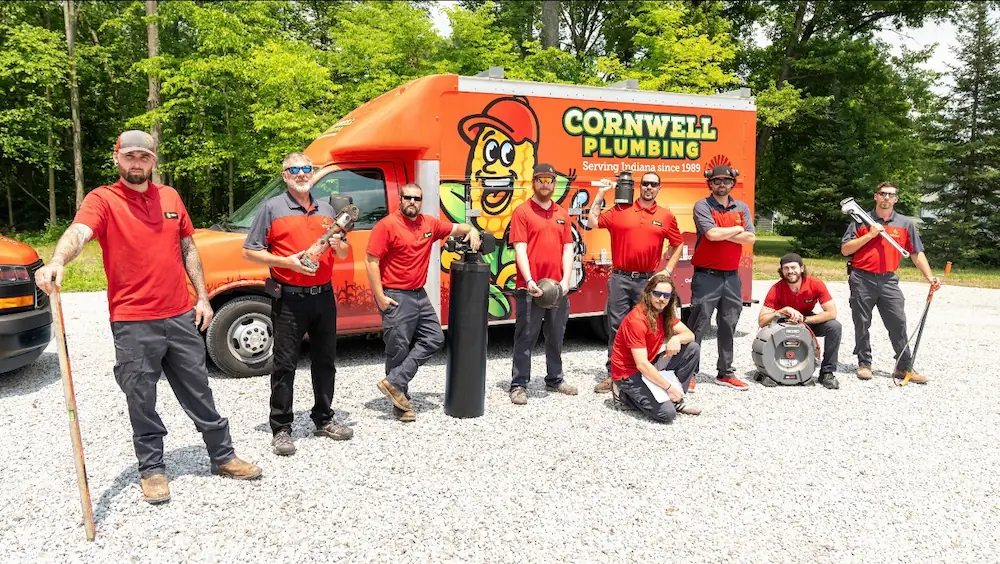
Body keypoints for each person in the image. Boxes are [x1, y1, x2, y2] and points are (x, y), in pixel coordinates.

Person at [34, 130, 261, 505]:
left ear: (154, 159)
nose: (136, 163)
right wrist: (58, 260)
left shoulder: (170, 197)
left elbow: (187, 245)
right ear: (117, 158)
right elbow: (80, 231)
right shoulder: (102, 200)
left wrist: (203, 298)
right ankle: (152, 468)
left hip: (179, 315)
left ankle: (223, 456)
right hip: (133, 320)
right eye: (130, 156)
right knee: (141, 395)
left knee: (199, 389)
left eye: (144, 157)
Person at [242, 152, 353, 456]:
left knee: (325, 362)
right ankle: (280, 428)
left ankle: (324, 418)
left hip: (323, 296)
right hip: (290, 298)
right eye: (295, 170)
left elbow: (342, 254)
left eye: (307, 169)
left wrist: (338, 244)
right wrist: (285, 261)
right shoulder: (272, 208)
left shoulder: (328, 209)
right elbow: (250, 251)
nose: (302, 174)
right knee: (284, 365)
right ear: (285, 175)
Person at [366, 182, 481, 422]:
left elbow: (458, 228)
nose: (412, 202)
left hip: (419, 294)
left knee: (434, 338)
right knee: (398, 348)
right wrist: (380, 297)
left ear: (421, 201)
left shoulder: (429, 224)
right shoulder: (386, 226)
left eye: (417, 198)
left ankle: (394, 382)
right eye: (408, 197)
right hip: (395, 295)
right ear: (400, 199)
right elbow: (371, 261)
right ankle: (401, 405)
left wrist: (472, 231)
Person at [587, 172, 684, 395]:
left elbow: (677, 244)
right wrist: (601, 193)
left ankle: (643, 371)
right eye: (645, 183)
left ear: (659, 188)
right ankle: (615, 374)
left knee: (648, 327)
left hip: (647, 281)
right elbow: (592, 222)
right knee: (616, 328)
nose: (649, 187)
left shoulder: (666, 216)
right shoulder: (619, 212)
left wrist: (667, 270)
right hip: (620, 278)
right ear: (639, 187)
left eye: (654, 184)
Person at [841, 181, 941, 384]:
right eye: (883, 194)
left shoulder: (905, 224)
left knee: (898, 322)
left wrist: (930, 276)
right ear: (875, 196)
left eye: (891, 195)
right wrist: (870, 234)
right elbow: (846, 250)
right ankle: (864, 363)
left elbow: (916, 253)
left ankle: (904, 368)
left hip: (888, 280)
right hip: (862, 278)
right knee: (862, 323)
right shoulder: (861, 220)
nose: (886, 197)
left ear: (896, 199)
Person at [507, 163, 579, 405]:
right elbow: (520, 248)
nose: (545, 184)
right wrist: (528, 280)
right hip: (531, 288)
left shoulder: (561, 213)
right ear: (533, 182)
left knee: (556, 335)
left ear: (554, 183)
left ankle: (555, 378)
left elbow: (568, 248)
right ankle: (519, 384)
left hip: (557, 289)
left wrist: (565, 280)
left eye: (549, 180)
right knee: (526, 336)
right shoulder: (522, 212)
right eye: (541, 179)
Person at [687, 164, 756, 390]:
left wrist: (728, 233)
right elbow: (711, 234)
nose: (721, 184)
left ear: (732, 183)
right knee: (698, 324)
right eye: (716, 181)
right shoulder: (702, 206)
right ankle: (689, 372)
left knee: (729, 324)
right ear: (710, 183)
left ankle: (725, 372)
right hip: (706, 276)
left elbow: (751, 239)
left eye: (726, 181)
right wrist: (737, 230)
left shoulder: (741, 207)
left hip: (732, 277)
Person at [609, 272, 702, 422]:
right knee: (667, 414)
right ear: (648, 293)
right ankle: (623, 395)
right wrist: (668, 387)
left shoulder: (663, 314)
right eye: (657, 294)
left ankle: (676, 398)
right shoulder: (637, 320)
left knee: (692, 348)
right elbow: (641, 364)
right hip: (629, 374)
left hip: (648, 365)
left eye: (666, 296)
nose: (661, 299)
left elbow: (690, 334)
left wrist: (676, 338)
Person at [758, 253, 842, 389]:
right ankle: (773, 367)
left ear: (802, 268)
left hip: (806, 320)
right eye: (786, 268)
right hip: (783, 322)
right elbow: (761, 321)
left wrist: (805, 319)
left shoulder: (816, 284)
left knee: (834, 326)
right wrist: (782, 310)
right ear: (781, 271)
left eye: (793, 267)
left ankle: (827, 372)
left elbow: (832, 313)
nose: (790, 271)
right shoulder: (776, 288)